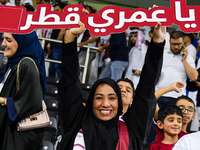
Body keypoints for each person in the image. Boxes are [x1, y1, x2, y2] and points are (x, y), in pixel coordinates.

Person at [57, 7, 166, 149]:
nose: (106, 104)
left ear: (120, 101)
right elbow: (70, 81)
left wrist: (157, 42)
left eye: (112, 98)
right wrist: (70, 38)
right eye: (99, 97)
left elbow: (147, 85)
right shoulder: (76, 121)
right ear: (90, 100)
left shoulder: (133, 127)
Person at [0, 31, 46, 149]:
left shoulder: (27, 64)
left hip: (16, 138)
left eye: (9, 40)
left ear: (22, 43)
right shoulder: (14, 63)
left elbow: (30, 103)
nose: (3, 44)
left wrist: (3, 101)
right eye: (3, 39)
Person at [156, 30, 198, 108]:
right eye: (173, 44)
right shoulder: (162, 54)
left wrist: (184, 60)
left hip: (177, 96)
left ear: (183, 43)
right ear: (169, 42)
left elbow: (194, 77)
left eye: (178, 44)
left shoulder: (187, 57)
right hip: (160, 93)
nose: (176, 47)